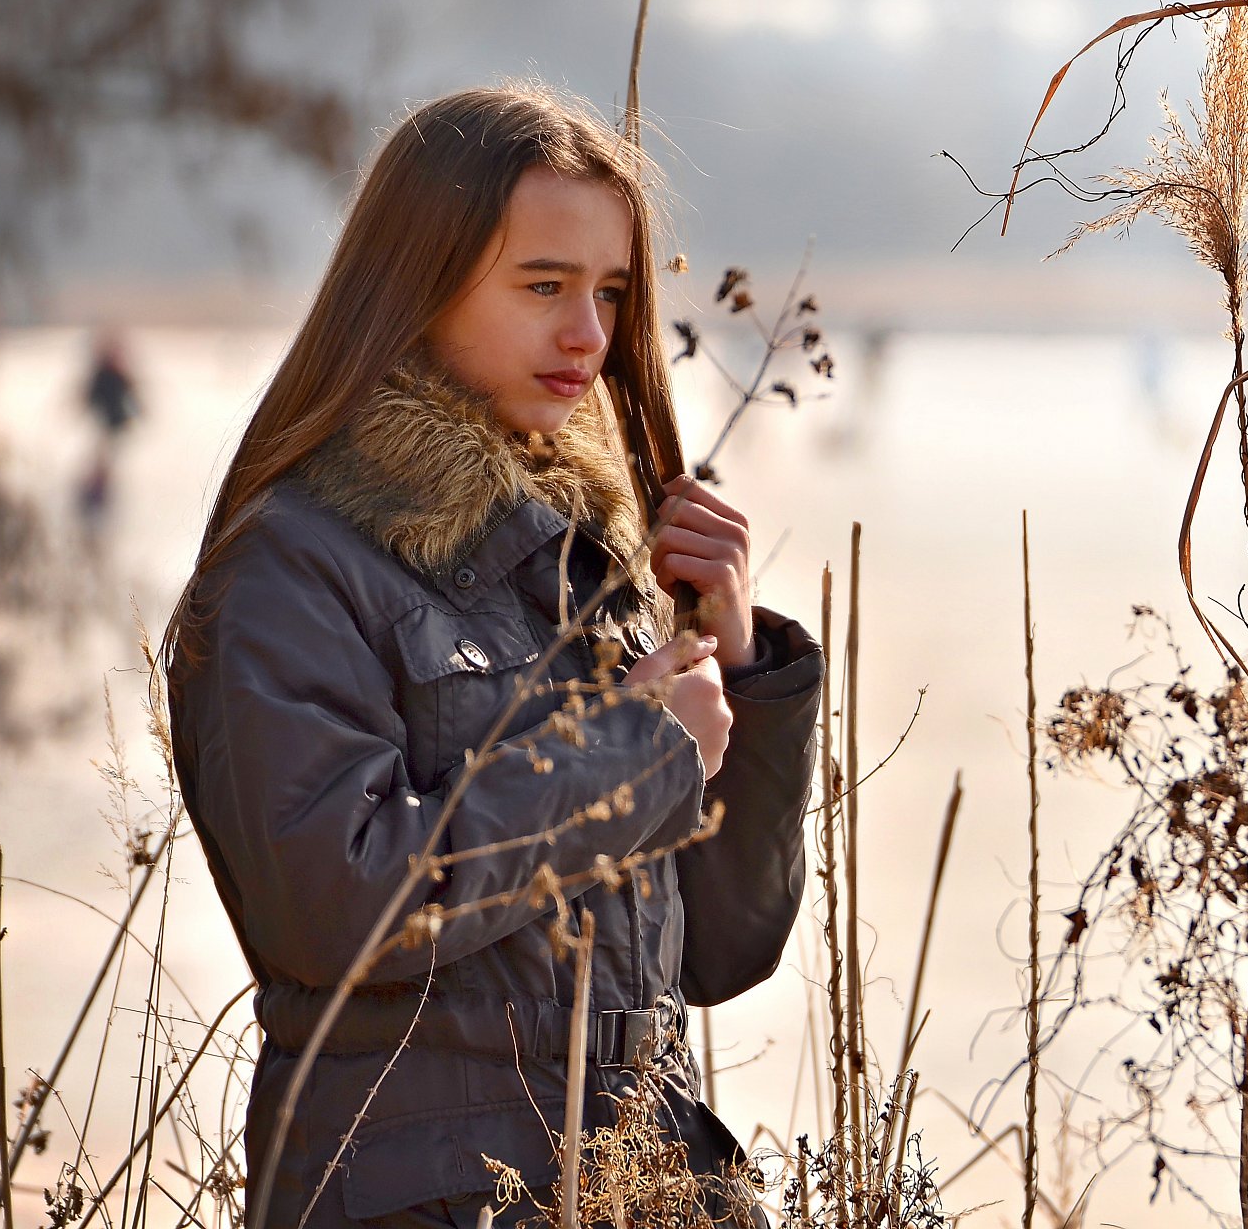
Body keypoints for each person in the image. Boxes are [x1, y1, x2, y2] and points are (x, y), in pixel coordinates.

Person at [165, 83, 823, 1229]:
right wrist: (629, 756)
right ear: (415, 279)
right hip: (418, 1193)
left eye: (610, 291)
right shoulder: (297, 563)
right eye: (543, 286)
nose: (589, 334)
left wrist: (740, 665)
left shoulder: (589, 566)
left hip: (643, 1181)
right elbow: (334, 904)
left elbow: (720, 949)